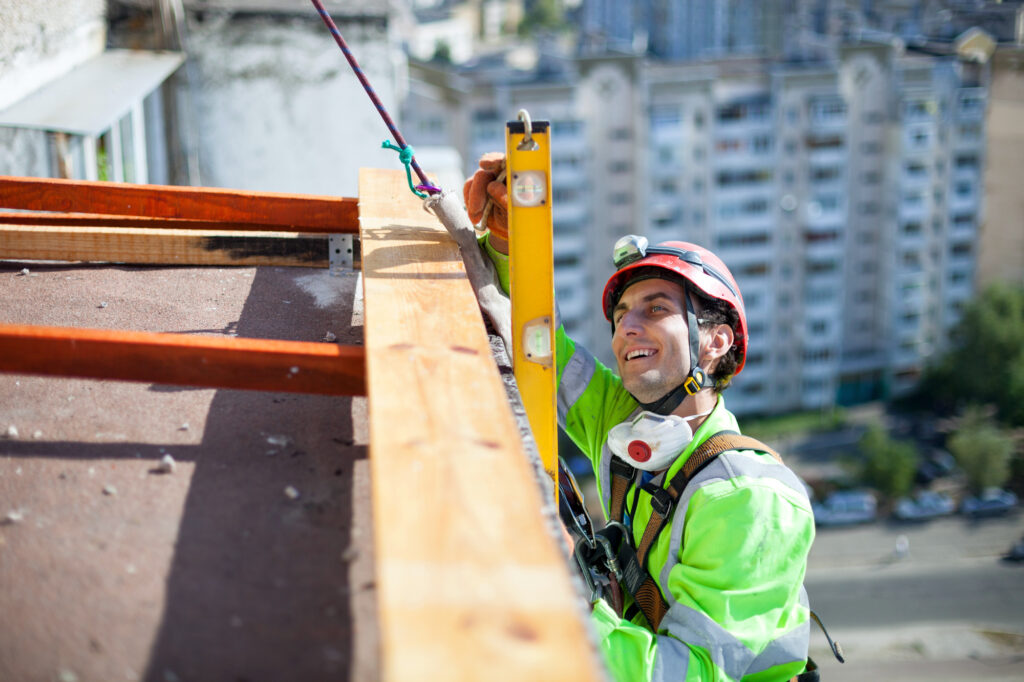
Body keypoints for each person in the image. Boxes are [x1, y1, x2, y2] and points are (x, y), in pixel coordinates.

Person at [465, 154, 817, 682]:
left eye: (655, 309)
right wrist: (509, 238)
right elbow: (540, 349)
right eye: (621, 314)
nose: (626, 326)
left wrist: (560, 602)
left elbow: (689, 674)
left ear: (715, 341)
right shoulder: (630, 428)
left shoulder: (748, 497)